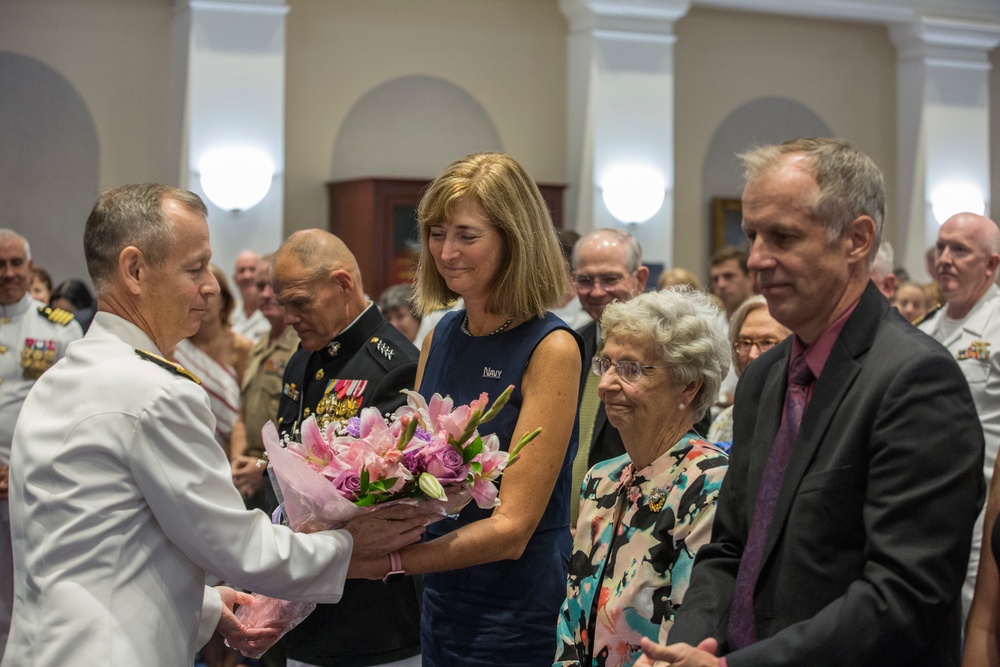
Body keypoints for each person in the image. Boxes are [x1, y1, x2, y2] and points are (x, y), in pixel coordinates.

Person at [2, 184, 426, 667]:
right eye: (195, 267)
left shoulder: (61, 377)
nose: (210, 285)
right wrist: (348, 546)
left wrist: (203, 604)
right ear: (135, 271)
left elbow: (92, 541)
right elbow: (241, 549)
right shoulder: (154, 390)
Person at [639, 138, 984, 667]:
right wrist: (686, 646)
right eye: (752, 235)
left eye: (783, 236)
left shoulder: (917, 380)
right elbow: (729, 548)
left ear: (857, 240)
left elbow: (902, 598)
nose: (756, 258)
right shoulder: (766, 378)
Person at [390, 152, 583, 666]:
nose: (446, 251)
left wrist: (384, 562)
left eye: (466, 236)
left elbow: (513, 529)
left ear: (513, 239)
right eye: (435, 233)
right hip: (440, 594)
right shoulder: (440, 335)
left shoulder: (552, 348)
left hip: (515, 607)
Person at [271, 228, 423, 667]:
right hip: (305, 606)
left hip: (371, 617)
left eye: (300, 303)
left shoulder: (395, 364)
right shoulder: (303, 361)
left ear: (342, 284)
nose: (290, 318)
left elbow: (385, 501)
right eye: (285, 305)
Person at [554, 287, 729, 667]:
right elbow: (571, 618)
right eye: (606, 365)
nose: (605, 385)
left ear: (689, 384)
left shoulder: (709, 482)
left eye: (631, 369)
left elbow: (686, 627)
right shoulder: (601, 479)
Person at [0, 229, 82, 657]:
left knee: (27, 593)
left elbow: (76, 412)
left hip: (31, 484)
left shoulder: (58, 329)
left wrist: (21, 467)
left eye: (16, 264)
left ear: (30, 268)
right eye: (0, 265)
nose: (9, 273)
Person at [918, 211, 1000, 619]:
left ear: (991, 264)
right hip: (926, 504)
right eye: (941, 247)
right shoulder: (925, 329)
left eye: (960, 249)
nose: (945, 258)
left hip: (986, 508)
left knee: (973, 618)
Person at [570, 229, 649, 522]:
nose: (597, 291)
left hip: (633, 518)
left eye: (610, 279)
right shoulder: (572, 344)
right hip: (568, 527)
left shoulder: (664, 347)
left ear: (639, 279)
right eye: (586, 280)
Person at [231, 253, 298, 507]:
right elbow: (242, 413)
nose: (266, 293)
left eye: (273, 286)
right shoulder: (257, 347)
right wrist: (239, 461)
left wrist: (261, 467)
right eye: (260, 286)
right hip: (249, 474)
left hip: (278, 477)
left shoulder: (301, 348)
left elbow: (299, 429)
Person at [171, 265, 253, 456]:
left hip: (232, 448)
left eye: (210, 293)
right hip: (184, 446)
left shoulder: (241, 347)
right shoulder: (174, 347)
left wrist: (235, 457)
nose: (203, 299)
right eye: (196, 292)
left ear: (224, 300)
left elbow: (246, 411)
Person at [706, 295, 790, 448]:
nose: (752, 354)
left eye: (767, 342)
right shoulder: (725, 421)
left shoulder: (799, 417)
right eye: (745, 343)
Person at [231, 249, 271, 342]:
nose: (247, 275)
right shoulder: (228, 314)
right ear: (235, 279)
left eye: (252, 269)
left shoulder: (274, 313)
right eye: (242, 270)